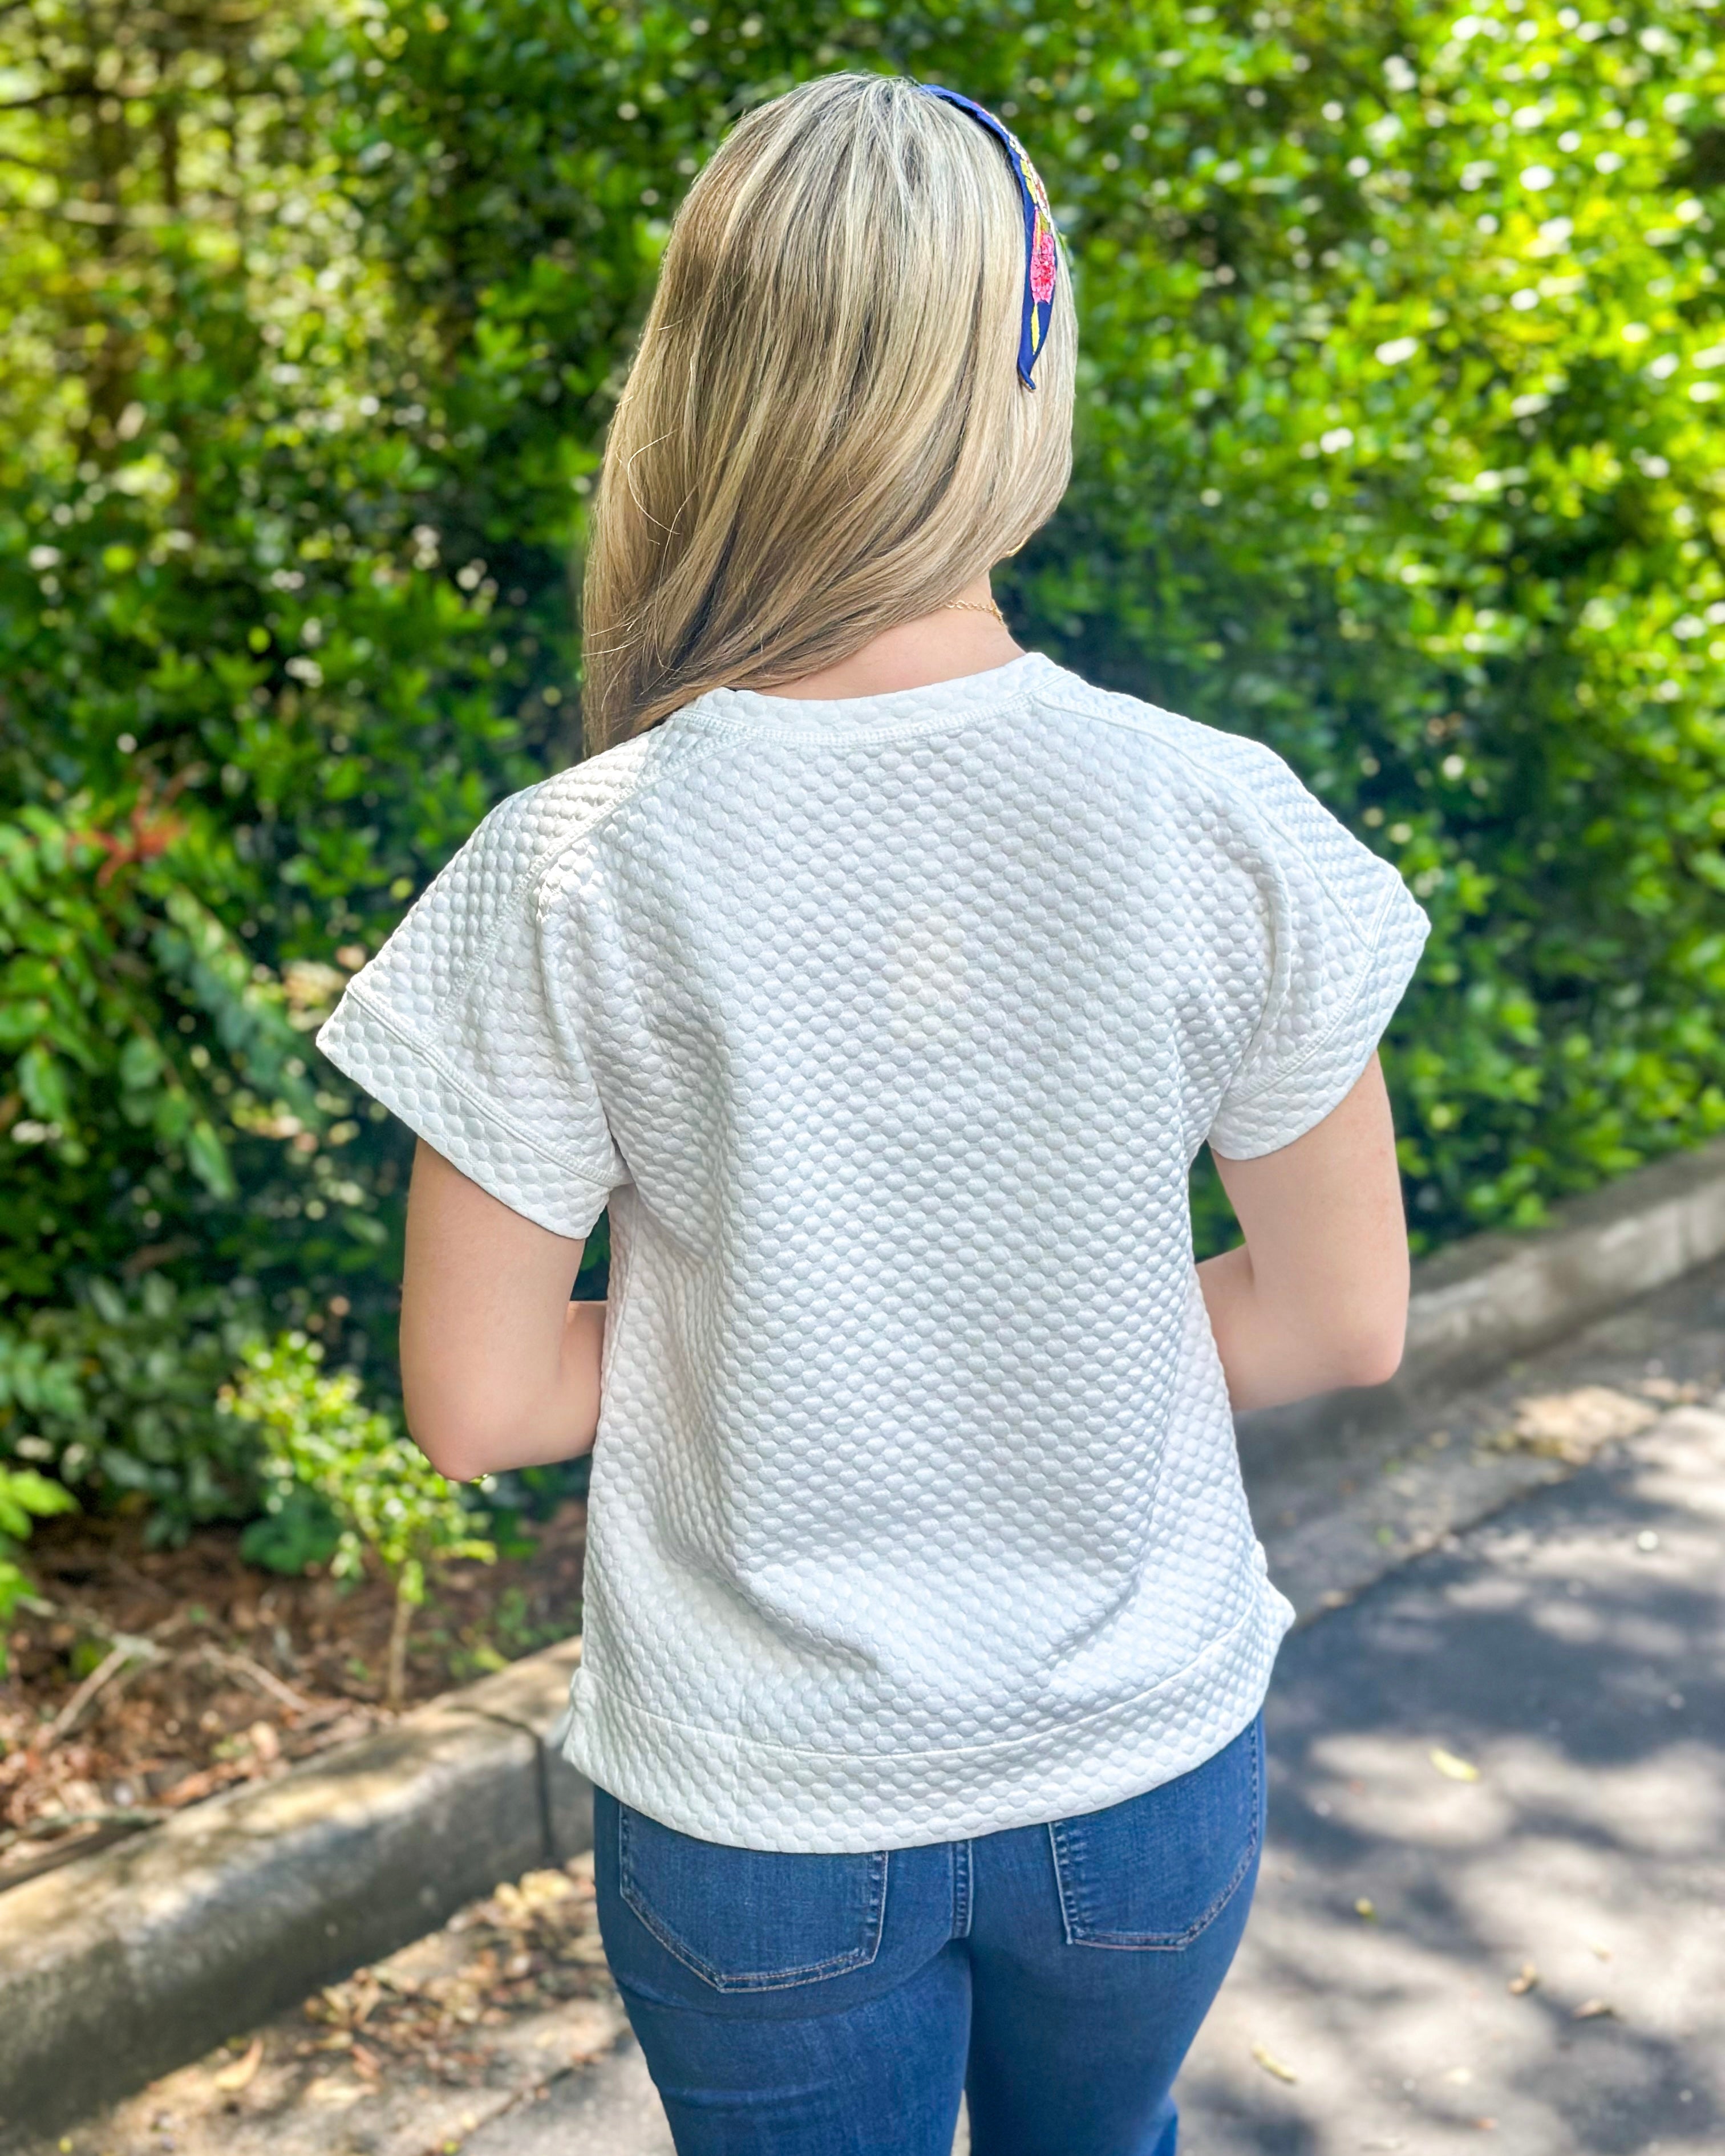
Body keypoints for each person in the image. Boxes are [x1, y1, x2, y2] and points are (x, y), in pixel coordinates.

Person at [318, 70, 1428, 2156]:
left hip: (760, 1809)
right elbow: (1342, 1320)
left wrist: (804, 1348)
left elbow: (476, 1402)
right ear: (1028, 368)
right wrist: (1015, 1340)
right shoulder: (1224, 820)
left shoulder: (570, 864)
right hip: (1142, 1767)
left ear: (697, 384)